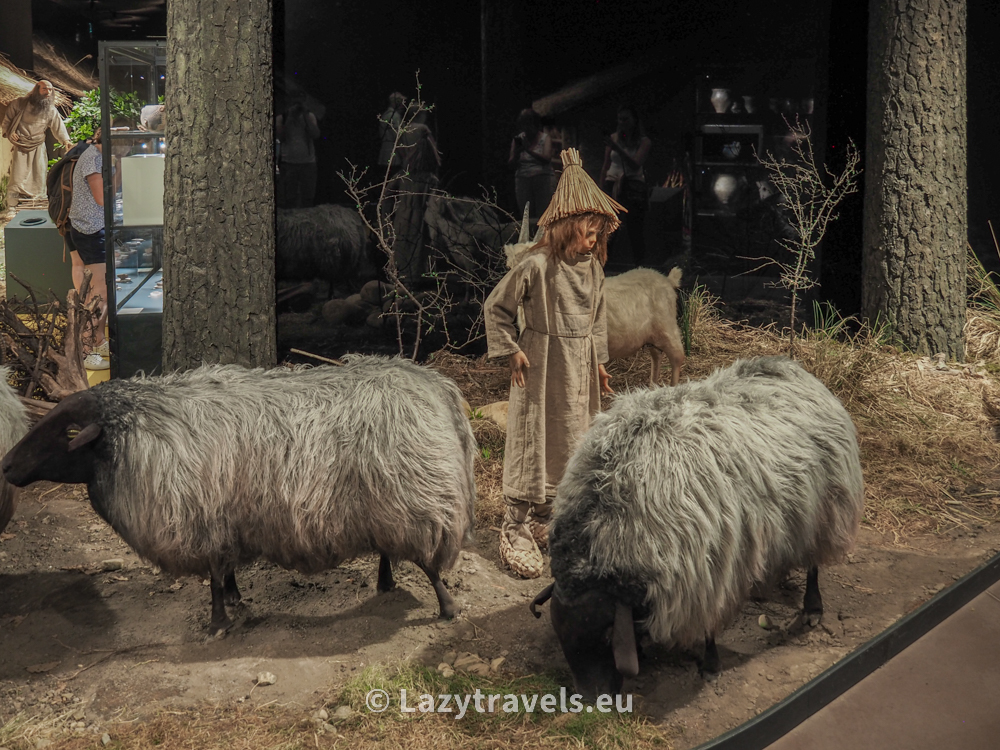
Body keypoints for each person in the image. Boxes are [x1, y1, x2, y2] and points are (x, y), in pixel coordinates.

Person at [485, 148, 622, 579]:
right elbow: (497, 307)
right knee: (534, 434)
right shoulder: (537, 265)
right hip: (542, 364)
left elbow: (596, 321)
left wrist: (598, 363)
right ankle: (517, 524)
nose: (593, 242)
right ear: (567, 226)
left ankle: (553, 515)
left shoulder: (594, 270)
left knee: (573, 435)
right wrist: (511, 348)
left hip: (578, 366)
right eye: (587, 232)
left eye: (599, 234)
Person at [66, 128, 109, 371]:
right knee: (99, 291)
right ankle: (86, 348)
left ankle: (97, 339)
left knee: (101, 289)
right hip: (91, 230)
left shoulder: (97, 155)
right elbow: (103, 198)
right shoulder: (93, 158)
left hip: (93, 227)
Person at [1, 80, 73, 211]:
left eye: (50, 90)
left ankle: (36, 207)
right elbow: (7, 121)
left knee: (39, 176)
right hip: (21, 145)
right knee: (18, 177)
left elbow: (58, 126)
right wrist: (10, 132)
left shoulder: (50, 109)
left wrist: (66, 141)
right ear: (36, 90)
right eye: (44, 89)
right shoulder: (19, 103)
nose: (48, 92)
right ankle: (13, 207)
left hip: (38, 145)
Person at [599, 105, 652, 266]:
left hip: (632, 186)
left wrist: (619, 149)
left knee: (635, 228)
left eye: (626, 119)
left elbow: (636, 164)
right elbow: (606, 164)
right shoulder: (614, 138)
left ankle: (639, 266)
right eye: (620, 119)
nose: (622, 122)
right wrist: (599, 189)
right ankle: (603, 267)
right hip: (612, 184)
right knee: (609, 228)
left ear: (634, 121)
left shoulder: (644, 141)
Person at [508, 108, 556, 225]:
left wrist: (528, 150)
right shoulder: (519, 139)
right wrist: (518, 152)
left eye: (528, 124)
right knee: (527, 215)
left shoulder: (545, 138)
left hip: (543, 178)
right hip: (523, 178)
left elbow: (546, 158)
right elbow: (511, 163)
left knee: (543, 214)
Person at [276, 98, 320, 208]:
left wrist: (305, 115)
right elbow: (280, 137)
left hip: (308, 163)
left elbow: (315, 135)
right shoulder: (282, 118)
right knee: (289, 197)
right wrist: (289, 118)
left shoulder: (309, 116)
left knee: (308, 197)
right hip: (288, 162)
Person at [377, 92, 407, 174]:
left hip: (384, 155)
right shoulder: (395, 116)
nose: (403, 106)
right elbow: (398, 139)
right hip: (394, 157)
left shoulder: (385, 115)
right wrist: (405, 157)